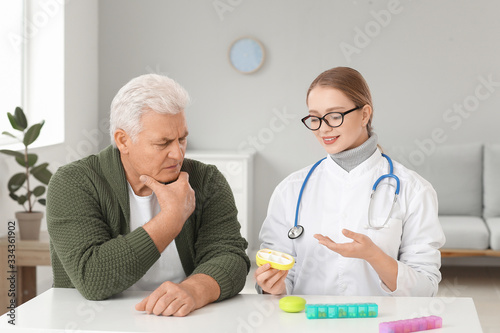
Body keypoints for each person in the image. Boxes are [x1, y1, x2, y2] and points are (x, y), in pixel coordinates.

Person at [47, 74, 250, 317]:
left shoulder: (207, 180)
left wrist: (193, 291)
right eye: (162, 143)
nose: (177, 153)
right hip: (91, 321)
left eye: (182, 139)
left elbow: (231, 256)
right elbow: (92, 277)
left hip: (184, 321)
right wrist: (171, 219)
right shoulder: (73, 182)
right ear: (123, 141)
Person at [255, 67, 445, 296]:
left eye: (335, 116)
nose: (323, 128)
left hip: (379, 324)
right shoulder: (290, 190)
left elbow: (425, 289)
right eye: (315, 118)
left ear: (365, 114)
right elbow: (284, 277)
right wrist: (273, 286)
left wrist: (373, 255)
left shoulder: (414, 190)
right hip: (309, 323)